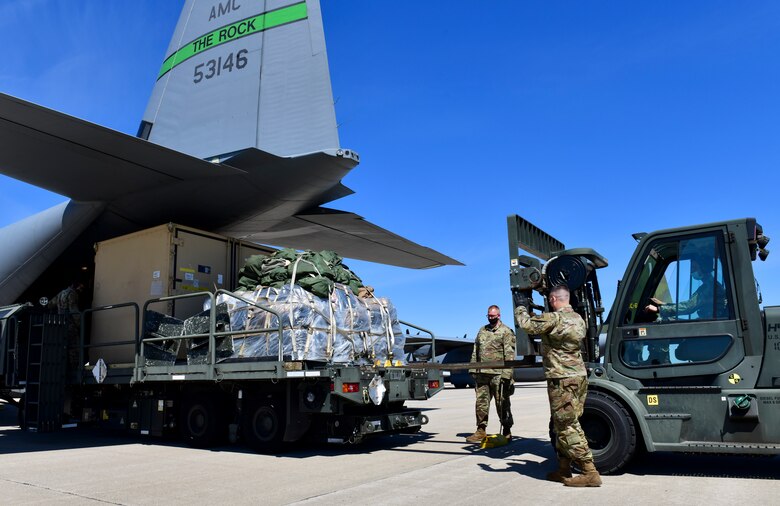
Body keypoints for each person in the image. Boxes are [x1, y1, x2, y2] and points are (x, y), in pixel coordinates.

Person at [514, 285, 601, 487]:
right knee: (561, 422)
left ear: (553, 300)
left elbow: (525, 324)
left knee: (566, 425)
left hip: (561, 379)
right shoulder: (579, 319)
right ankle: (563, 468)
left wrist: (520, 306)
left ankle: (590, 471)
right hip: (578, 377)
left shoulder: (553, 318)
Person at [465, 305, 515, 443]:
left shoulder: (506, 331)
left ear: (499, 315)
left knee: (502, 404)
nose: (491, 318)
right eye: (489, 316)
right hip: (482, 374)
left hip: (498, 375)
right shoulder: (482, 330)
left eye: (493, 316)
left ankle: (506, 430)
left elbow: (509, 355)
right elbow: (476, 350)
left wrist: (507, 375)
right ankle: (481, 430)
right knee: (481, 404)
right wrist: (473, 368)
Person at [644, 256, 726, 320]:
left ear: (704, 268)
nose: (691, 271)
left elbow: (689, 307)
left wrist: (659, 309)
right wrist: (664, 304)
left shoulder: (709, 287)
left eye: (694, 268)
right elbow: (689, 303)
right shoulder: (711, 285)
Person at [49, 280, 85, 366]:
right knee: (74, 346)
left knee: (63, 345)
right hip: (70, 323)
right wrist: (80, 324)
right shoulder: (72, 294)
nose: (81, 289)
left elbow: (50, 304)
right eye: (81, 287)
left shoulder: (61, 293)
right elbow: (73, 310)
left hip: (61, 323)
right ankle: (74, 366)